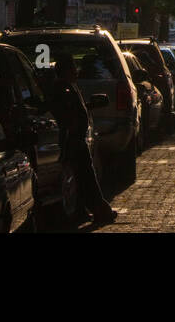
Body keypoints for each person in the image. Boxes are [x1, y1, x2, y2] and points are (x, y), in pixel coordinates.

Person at [50, 58, 118, 226]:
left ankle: (86, 210)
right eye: (73, 68)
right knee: (86, 177)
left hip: (76, 140)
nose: (76, 71)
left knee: (83, 178)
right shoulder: (63, 88)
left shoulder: (68, 87)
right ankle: (100, 210)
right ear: (65, 71)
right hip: (74, 141)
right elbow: (67, 115)